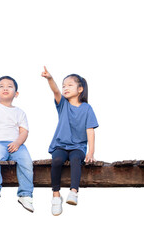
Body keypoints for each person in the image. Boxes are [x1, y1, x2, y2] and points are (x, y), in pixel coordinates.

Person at [41, 66, 99, 216]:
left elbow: (90, 131)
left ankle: (74, 191)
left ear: (80, 89)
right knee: (57, 160)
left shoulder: (87, 108)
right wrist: (49, 78)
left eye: (70, 85)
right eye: (64, 85)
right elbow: (55, 91)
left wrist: (91, 152)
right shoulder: (63, 104)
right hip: (61, 144)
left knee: (75, 160)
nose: (65, 88)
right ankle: (55, 195)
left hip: (78, 147)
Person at [0, 62, 34, 213]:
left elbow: (24, 131)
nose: (5, 88)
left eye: (10, 86)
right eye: (1, 86)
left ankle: (25, 195)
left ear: (16, 93)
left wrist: (18, 142)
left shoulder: (20, 112)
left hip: (16, 144)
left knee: (26, 161)